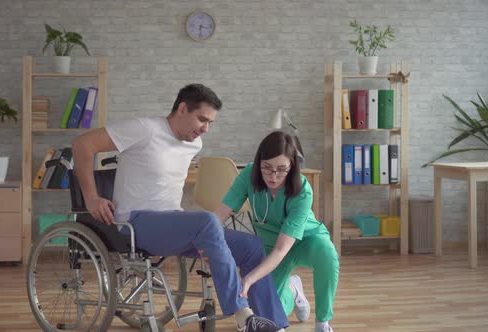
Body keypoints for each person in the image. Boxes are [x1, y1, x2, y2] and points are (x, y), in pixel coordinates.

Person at [71, 83, 288, 332]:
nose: (205, 129)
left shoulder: (194, 145)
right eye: (202, 120)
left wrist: (212, 244)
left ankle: (275, 326)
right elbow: (82, 145)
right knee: (207, 220)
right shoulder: (145, 129)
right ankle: (242, 314)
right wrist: (92, 198)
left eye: (210, 123)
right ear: (183, 109)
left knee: (251, 246)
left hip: (172, 224)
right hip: (135, 222)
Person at [214, 131, 339, 332]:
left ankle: (323, 322)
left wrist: (250, 278)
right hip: (270, 245)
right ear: (259, 163)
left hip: (306, 241)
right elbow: (221, 212)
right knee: (270, 313)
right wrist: (205, 238)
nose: (273, 176)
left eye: (282, 169)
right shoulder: (248, 175)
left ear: (292, 167)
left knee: (327, 254)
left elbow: (283, 249)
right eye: (267, 168)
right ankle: (293, 288)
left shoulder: (303, 190)